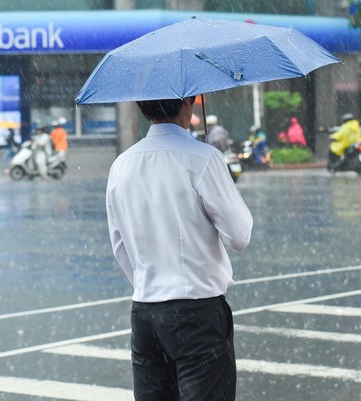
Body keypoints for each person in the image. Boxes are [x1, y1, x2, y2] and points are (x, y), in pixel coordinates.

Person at [106, 96, 253, 401]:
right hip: (197, 312)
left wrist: (153, 282)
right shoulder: (204, 158)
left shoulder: (121, 165)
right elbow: (239, 237)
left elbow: (119, 245)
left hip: (145, 313)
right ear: (187, 102)